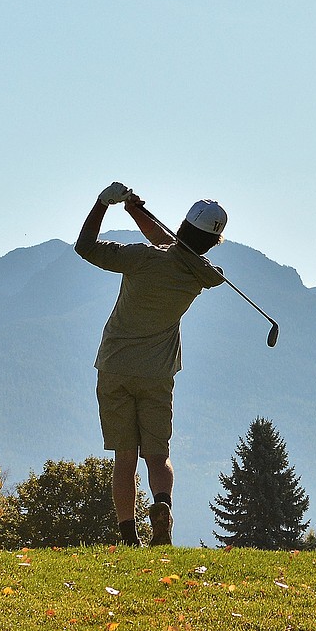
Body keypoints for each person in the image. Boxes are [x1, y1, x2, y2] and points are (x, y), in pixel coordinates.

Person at [75, 182, 227, 546]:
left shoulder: (142, 258)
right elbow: (178, 250)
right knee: (157, 456)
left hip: (115, 368)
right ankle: (162, 505)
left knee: (124, 458)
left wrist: (103, 204)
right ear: (213, 241)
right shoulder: (204, 275)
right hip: (157, 374)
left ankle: (129, 537)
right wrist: (135, 210)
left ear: (183, 226)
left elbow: (86, 247)